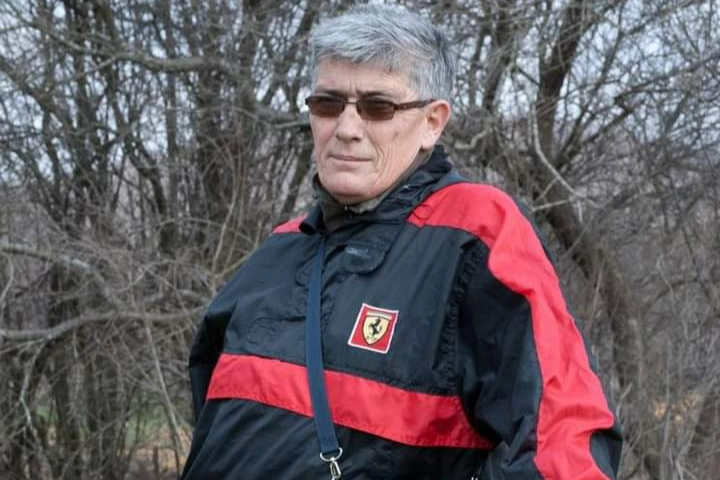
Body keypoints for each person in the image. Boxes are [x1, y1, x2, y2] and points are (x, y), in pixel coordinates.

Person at [181, 4, 623, 480]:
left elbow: (565, 449)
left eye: (378, 108)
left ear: (433, 121)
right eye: (328, 104)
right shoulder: (276, 254)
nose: (346, 129)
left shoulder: (475, 234)